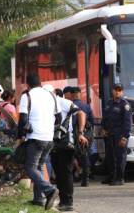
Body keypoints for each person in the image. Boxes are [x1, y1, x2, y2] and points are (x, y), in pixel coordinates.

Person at [17, 74, 61, 210]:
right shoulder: (51, 95)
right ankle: (38, 199)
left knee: (30, 168)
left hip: (35, 138)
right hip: (49, 138)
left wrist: (20, 136)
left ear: (28, 85)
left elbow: (23, 119)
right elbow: (58, 118)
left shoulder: (27, 96)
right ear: (40, 83)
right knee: (39, 166)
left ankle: (50, 190)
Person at [44, 84, 88, 212]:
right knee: (58, 172)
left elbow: (81, 113)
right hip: (53, 142)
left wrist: (80, 132)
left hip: (66, 142)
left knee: (66, 172)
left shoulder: (62, 102)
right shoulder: (45, 104)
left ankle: (68, 202)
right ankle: (63, 201)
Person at [101, 83, 132, 186]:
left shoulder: (125, 105)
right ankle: (112, 176)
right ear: (112, 91)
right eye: (116, 90)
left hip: (119, 135)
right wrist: (103, 128)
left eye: (120, 90)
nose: (117, 92)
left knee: (120, 157)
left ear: (122, 92)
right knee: (110, 157)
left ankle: (120, 178)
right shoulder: (109, 103)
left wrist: (125, 137)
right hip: (109, 134)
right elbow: (105, 117)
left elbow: (127, 122)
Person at [71, 87, 94, 187]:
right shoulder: (86, 106)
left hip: (74, 134)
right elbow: (92, 121)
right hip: (86, 133)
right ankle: (86, 179)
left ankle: (75, 176)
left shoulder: (70, 105)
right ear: (79, 94)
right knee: (85, 156)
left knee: (72, 155)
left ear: (71, 95)